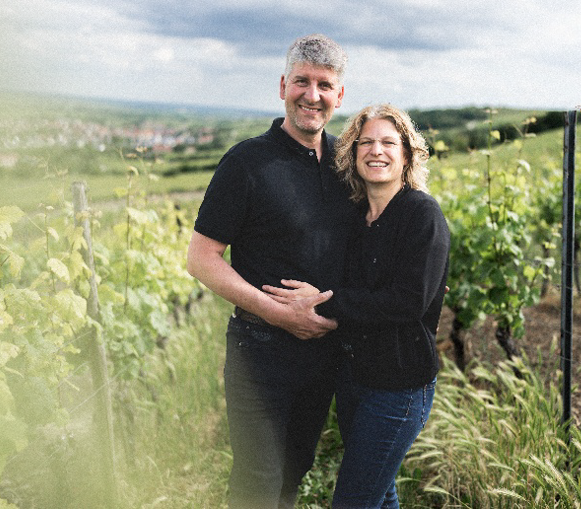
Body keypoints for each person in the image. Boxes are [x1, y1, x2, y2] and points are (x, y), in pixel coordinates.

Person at [186, 34, 356, 508]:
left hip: (323, 354)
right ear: (283, 86)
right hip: (259, 350)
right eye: (302, 81)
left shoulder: (346, 163)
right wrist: (278, 313)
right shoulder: (246, 162)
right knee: (257, 480)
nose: (312, 95)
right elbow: (201, 258)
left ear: (339, 95)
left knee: (295, 469)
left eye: (324, 85)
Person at [263, 104, 450, 508]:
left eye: (388, 143)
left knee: (353, 501)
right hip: (354, 380)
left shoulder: (422, 215)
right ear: (353, 154)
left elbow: (408, 302)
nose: (376, 151)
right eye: (366, 142)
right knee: (380, 494)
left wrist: (324, 303)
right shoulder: (354, 218)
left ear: (407, 154)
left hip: (399, 387)